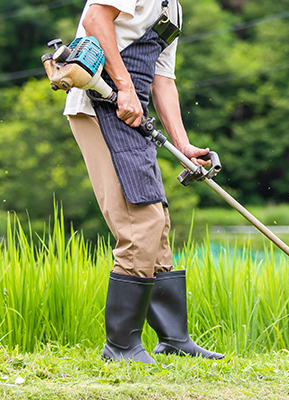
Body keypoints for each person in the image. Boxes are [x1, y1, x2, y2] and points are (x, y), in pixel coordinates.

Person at [63, 0, 223, 364]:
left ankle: (173, 338)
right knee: (140, 222)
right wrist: (124, 87)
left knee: (157, 222)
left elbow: (162, 79)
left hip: (133, 114)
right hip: (98, 104)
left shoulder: (174, 9)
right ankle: (120, 346)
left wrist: (183, 146)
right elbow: (94, 17)